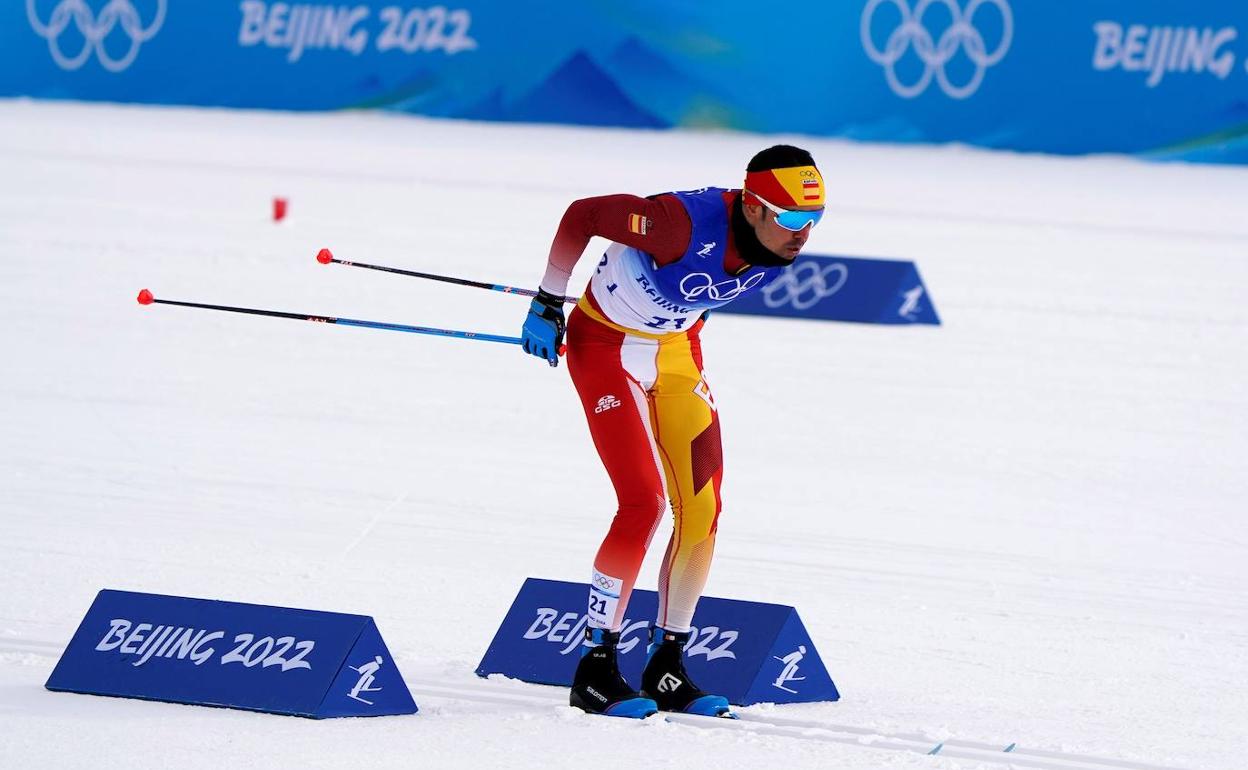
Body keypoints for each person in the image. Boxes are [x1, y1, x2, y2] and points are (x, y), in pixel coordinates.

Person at [520, 145, 825, 719]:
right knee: (643, 504)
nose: (803, 233)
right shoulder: (676, 224)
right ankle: (596, 668)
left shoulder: (773, 242)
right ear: (754, 207)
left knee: (703, 508)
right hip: (606, 351)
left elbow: (698, 291)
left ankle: (666, 666)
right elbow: (583, 215)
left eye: (814, 220)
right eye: (790, 218)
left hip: (677, 356)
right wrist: (547, 300)